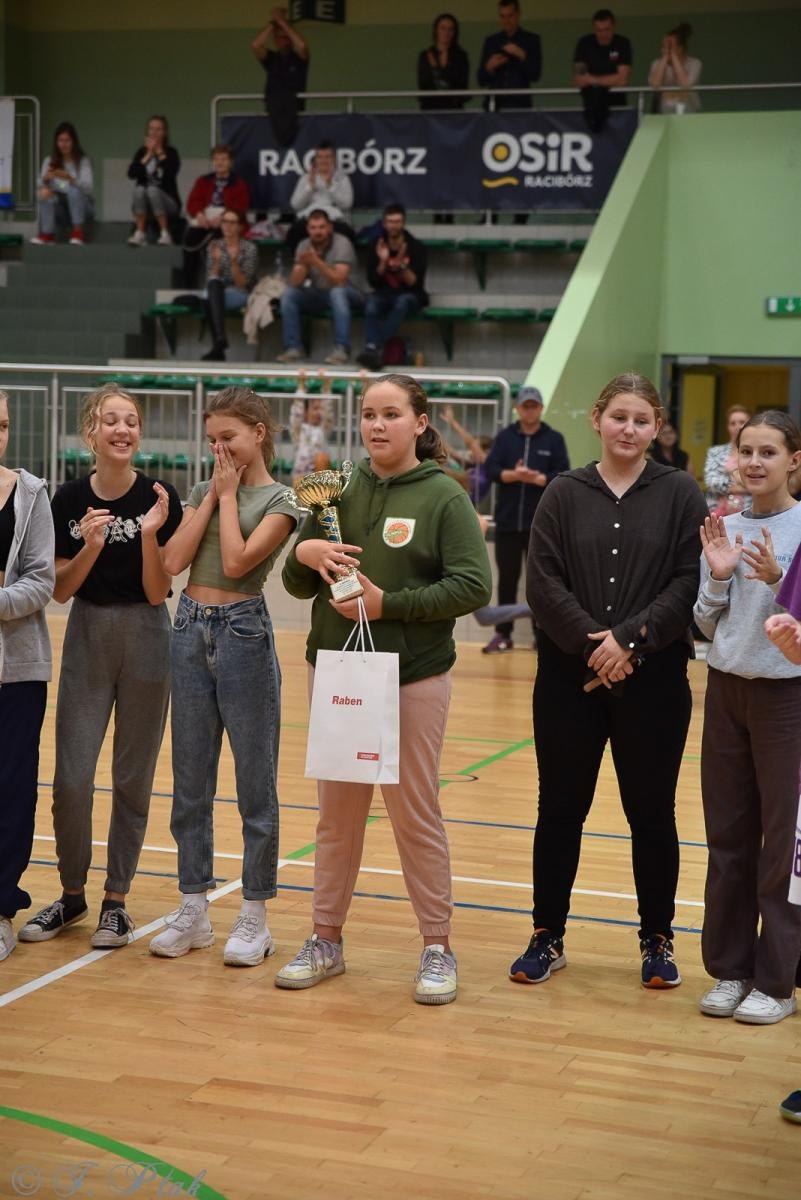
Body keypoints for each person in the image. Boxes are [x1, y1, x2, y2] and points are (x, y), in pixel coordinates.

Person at [277, 373, 492, 1004]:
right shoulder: (333, 488)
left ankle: (436, 947)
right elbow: (296, 583)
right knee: (336, 817)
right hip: (336, 672)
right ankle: (326, 940)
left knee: (413, 813)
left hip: (412, 676)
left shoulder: (444, 498)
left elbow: (473, 587)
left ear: (420, 423)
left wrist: (385, 603)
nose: (377, 425)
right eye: (369, 414)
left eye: (391, 414)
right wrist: (306, 554)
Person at [509, 373, 708, 988]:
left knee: (651, 812)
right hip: (568, 681)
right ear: (597, 418)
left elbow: (687, 580)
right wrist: (596, 645)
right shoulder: (564, 493)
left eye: (641, 420)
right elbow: (542, 582)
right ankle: (548, 933)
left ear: (656, 427)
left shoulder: (680, 493)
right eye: (619, 416)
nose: (629, 429)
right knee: (560, 808)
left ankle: (658, 940)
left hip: (654, 683)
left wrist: (630, 641)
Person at [18, 385, 182, 950]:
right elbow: (59, 592)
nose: (122, 430)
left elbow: (159, 591)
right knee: (71, 779)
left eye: (131, 421)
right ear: (91, 433)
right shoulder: (65, 499)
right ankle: (71, 894)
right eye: (111, 420)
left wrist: (150, 533)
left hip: (147, 636)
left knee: (133, 776)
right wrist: (89, 544)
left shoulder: (161, 496)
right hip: (88, 633)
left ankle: (116, 900)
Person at [149, 388, 298, 965]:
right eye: (212, 439)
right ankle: (194, 910)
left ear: (259, 433)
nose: (219, 448)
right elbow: (171, 561)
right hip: (187, 626)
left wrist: (231, 497)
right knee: (190, 781)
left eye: (229, 437)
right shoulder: (204, 489)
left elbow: (238, 562)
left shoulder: (283, 500)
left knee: (255, 786)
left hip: (243, 633)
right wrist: (212, 497)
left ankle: (255, 917)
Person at [694, 411, 801, 1025]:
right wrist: (718, 576)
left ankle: (777, 980)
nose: (756, 463)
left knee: (781, 845)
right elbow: (707, 624)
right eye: (747, 452)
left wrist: (779, 579)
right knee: (728, 838)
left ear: (793, 461)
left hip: (787, 697)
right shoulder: (723, 526)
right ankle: (731, 970)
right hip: (727, 690)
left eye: (769, 452)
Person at [0, 391, 55, 964]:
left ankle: (1, 909)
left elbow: (42, 583)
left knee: (11, 789)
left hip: (17, 669)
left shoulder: (30, 493)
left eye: (4, 424)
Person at [482, 387, 569, 653]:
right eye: (525, 406)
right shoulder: (506, 437)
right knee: (507, 579)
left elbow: (563, 474)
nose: (529, 410)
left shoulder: (553, 439)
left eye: (534, 406)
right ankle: (503, 634)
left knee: (540, 581)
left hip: (540, 526)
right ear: (518, 408)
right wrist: (514, 475)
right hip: (507, 522)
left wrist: (539, 479)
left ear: (540, 408)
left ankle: (540, 635)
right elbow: (492, 469)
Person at [277, 209, 363, 366]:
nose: (317, 232)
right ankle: (293, 348)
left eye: (321, 227)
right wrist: (302, 265)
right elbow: (295, 282)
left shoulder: (342, 242)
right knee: (290, 294)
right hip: (320, 294)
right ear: (308, 229)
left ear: (329, 227)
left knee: (337, 293)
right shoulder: (304, 244)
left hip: (350, 293)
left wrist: (315, 261)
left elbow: (339, 280)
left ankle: (341, 349)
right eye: (313, 227)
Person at [356, 204, 428, 373]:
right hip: (383, 293)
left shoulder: (415, 247)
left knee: (402, 302)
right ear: (384, 223)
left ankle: (374, 347)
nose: (394, 225)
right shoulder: (376, 245)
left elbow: (415, 283)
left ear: (403, 223)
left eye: (397, 222)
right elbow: (373, 281)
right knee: (371, 304)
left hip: (410, 294)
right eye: (390, 222)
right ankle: (374, 348)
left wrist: (402, 265)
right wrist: (383, 261)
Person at [182, 145, 251, 289]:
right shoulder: (203, 181)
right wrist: (200, 215)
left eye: (223, 159)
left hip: (227, 223)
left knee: (218, 240)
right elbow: (192, 202)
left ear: (230, 162)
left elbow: (241, 208)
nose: (219, 163)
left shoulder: (239, 184)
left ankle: (217, 285)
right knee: (190, 238)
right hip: (205, 220)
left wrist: (223, 217)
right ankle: (189, 287)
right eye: (216, 159)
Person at [202, 209, 259, 362]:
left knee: (209, 300)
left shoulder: (249, 248)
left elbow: (243, 284)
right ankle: (220, 340)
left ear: (240, 226)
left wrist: (234, 262)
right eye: (224, 222)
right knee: (213, 287)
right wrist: (217, 261)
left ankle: (219, 345)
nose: (227, 226)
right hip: (218, 291)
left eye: (232, 222)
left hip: (241, 293)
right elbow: (211, 277)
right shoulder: (215, 245)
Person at [251, 7, 310, 146]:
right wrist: (273, 23)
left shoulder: (299, 58)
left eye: (286, 37)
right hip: (273, 111)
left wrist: (283, 22)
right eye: (279, 37)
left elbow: (302, 46)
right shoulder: (272, 58)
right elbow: (255, 45)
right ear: (275, 39)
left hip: (295, 112)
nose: (283, 40)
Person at [31, 122, 94, 246]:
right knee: (44, 191)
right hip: (61, 209)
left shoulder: (82, 160)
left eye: (67, 140)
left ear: (74, 142)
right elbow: (39, 185)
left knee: (74, 189)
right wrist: (46, 180)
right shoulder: (49, 160)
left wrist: (70, 178)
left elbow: (88, 188)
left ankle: (78, 232)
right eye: (60, 140)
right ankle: (47, 234)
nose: (63, 144)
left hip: (84, 208)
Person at [286, 142, 354, 253]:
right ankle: (302, 265)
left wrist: (329, 186)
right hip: (309, 221)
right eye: (320, 157)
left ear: (334, 159)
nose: (324, 160)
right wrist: (310, 187)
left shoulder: (343, 178)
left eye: (328, 157)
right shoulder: (305, 178)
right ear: (315, 159)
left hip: (334, 221)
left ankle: (337, 267)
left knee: (346, 234)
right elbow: (295, 205)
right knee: (294, 232)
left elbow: (347, 204)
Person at [573, 9, 633, 133]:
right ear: (594, 28)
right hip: (591, 107)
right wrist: (610, 80)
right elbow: (580, 79)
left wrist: (593, 80)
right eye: (599, 30)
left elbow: (622, 79)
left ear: (613, 27)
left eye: (607, 29)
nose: (603, 34)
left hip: (617, 105)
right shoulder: (584, 44)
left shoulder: (622, 43)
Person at [127, 115, 181, 246]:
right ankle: (140, 233)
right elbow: (131, 174)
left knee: (152, 189)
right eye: (151, 129)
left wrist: (160, 153)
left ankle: (165, 233)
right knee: (139, 189)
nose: (155, 133)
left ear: (165, 132)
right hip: (145, 203)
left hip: (168, 203)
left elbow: (171, 172)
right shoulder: (141, 152)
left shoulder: (171, 152)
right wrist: (148, 155)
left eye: (159, 129)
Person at [478, 1, 542, 110]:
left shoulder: (531, 40)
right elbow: (480, 80)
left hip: (520, 106)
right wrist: (489, 67)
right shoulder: (491, 42)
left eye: (510, 16)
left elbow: (535, 75)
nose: (506, 21)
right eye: (502, 16)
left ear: (518, 14)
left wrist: (522, 55)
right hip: (494, 106)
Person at [439, 403, 493, 507]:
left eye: (474, 450)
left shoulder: (488, 464)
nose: (471, 452)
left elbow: (470, 443)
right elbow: (450, 450)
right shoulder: (473, 465)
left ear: (486, 451)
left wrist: (452, 422)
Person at [417, 13, 470, 110]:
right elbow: (424, 85)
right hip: (430, 110)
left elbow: (462, 85)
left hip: (454, 109)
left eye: (450, 29)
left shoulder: (461, 56)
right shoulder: (425, 56)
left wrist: (436, 69)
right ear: (436, 30)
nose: (446, 33)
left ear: (455, 33)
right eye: (443, 28)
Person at [704, 404, 750, 514]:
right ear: (727, 427)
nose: (737, 427)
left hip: (749, 511)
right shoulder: (715, 452)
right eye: (732, 423)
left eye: (742, 422)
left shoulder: (757, 453)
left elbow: (764, 483)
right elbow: (711, 482)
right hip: (716, 512)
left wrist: (728, 477)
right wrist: (745, 487)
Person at [648, 23, 702, 114]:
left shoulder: (695, 63)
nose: (663, 50)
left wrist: (673, 55)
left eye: (669, 46)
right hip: (664, 114)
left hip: (690, 113)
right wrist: (665, 57)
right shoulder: (657, 63)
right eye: (663, 46)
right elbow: (655, 85)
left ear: (680, 48)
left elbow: (685, 84)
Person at [289, 376, 333, 481]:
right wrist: (301, 383)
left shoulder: (323, 429)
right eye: (315, 408)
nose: (319, 412)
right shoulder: (299, 430)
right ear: (306, 411)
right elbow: (297, 412)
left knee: (321, 458)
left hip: (320, 479)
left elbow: (328, 411)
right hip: (301, 477)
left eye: (320, 409)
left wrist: (326, 386)